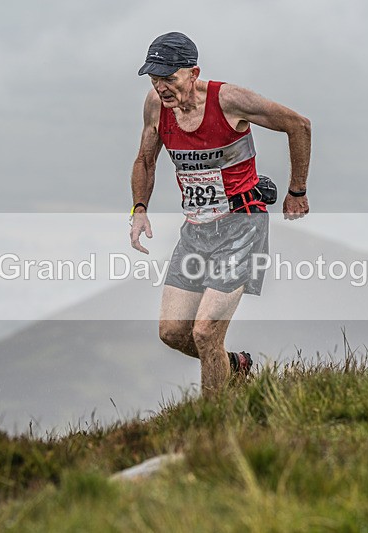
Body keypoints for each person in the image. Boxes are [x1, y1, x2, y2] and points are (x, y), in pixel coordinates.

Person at [130, 31, 311, 397]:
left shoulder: (228, 101)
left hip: (242, 225)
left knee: (205, 332)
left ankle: (213, 425)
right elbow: (145, 160)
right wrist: (139, 209)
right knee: (173, 333)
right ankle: (236, 366)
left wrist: (297, 191)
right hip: (196, 231)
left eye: (169, 78)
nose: (162, 88)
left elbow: (299, 125)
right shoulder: (155, 106)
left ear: (193, 73)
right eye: (155, 79)